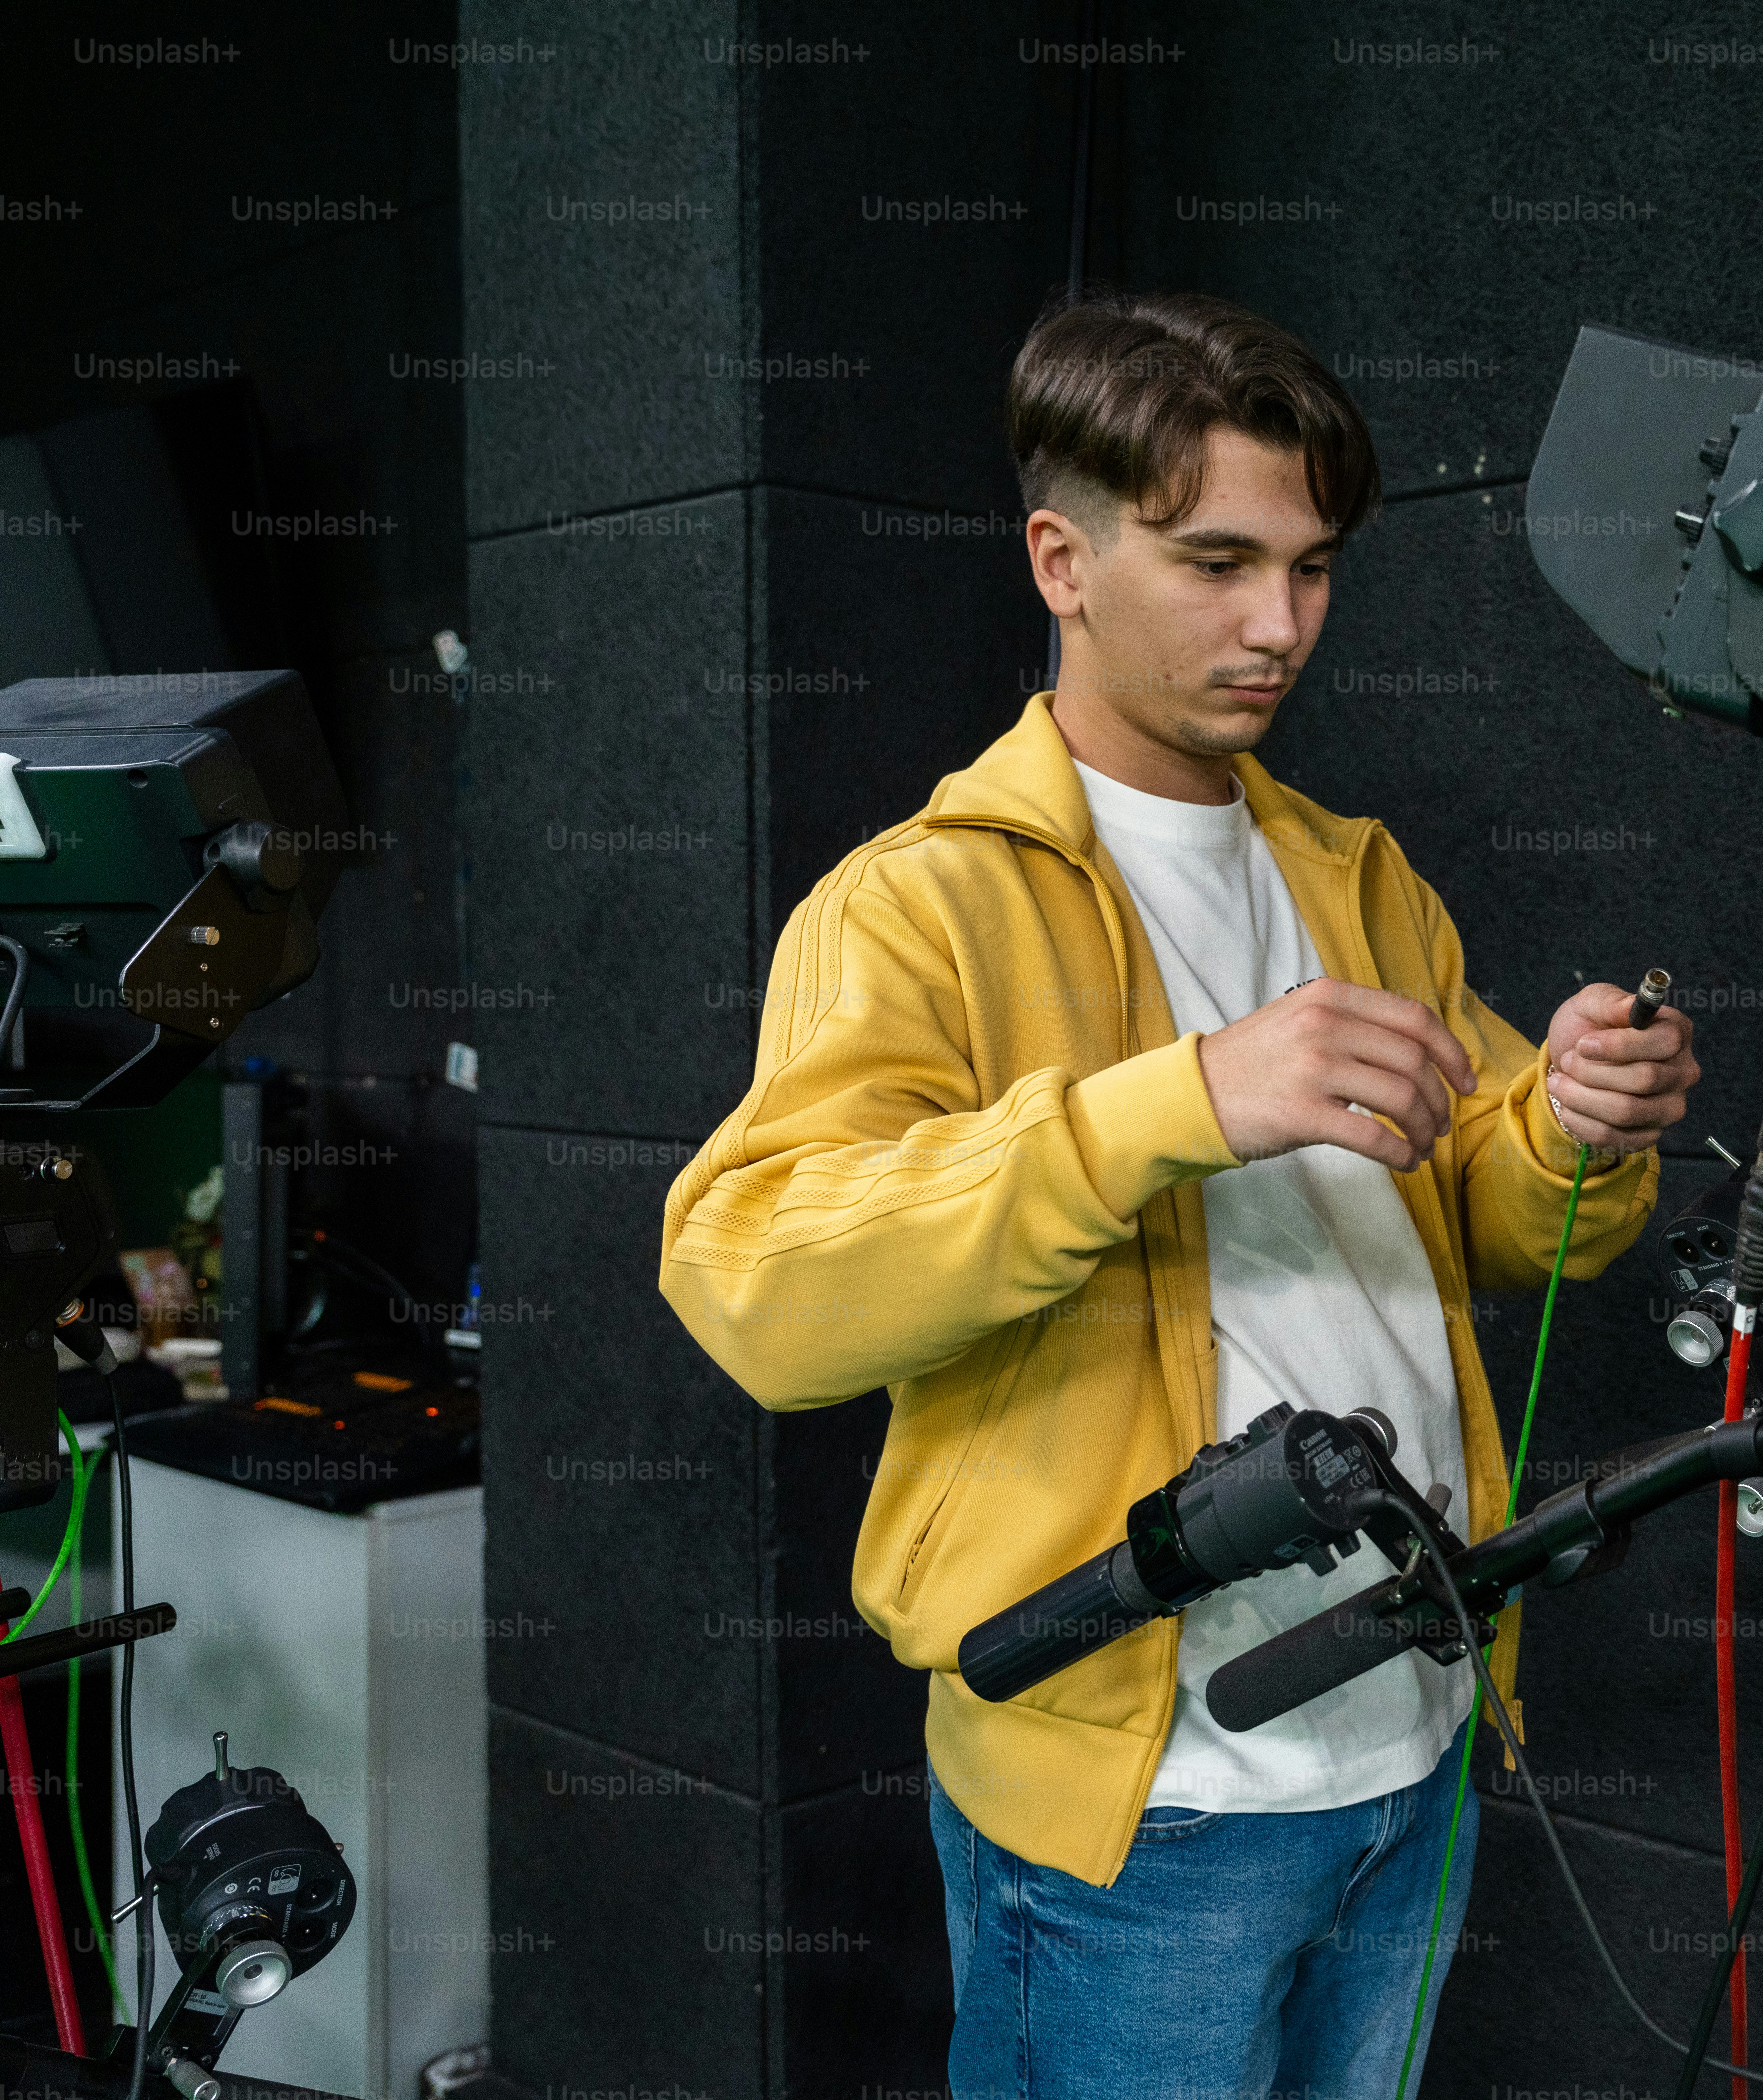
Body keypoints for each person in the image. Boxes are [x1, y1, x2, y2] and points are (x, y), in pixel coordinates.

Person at [656, 287, 1698, 2098]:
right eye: (1218, 562)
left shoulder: (1359, 877)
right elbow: (757, 1283)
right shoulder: (917, 905)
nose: (1278, 624)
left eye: (1311, 568)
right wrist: (1182, 1102)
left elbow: (1498, 1213)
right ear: (1061, 560)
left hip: (1416, 1729)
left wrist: (1576, 1122)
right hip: (1145, 1796)